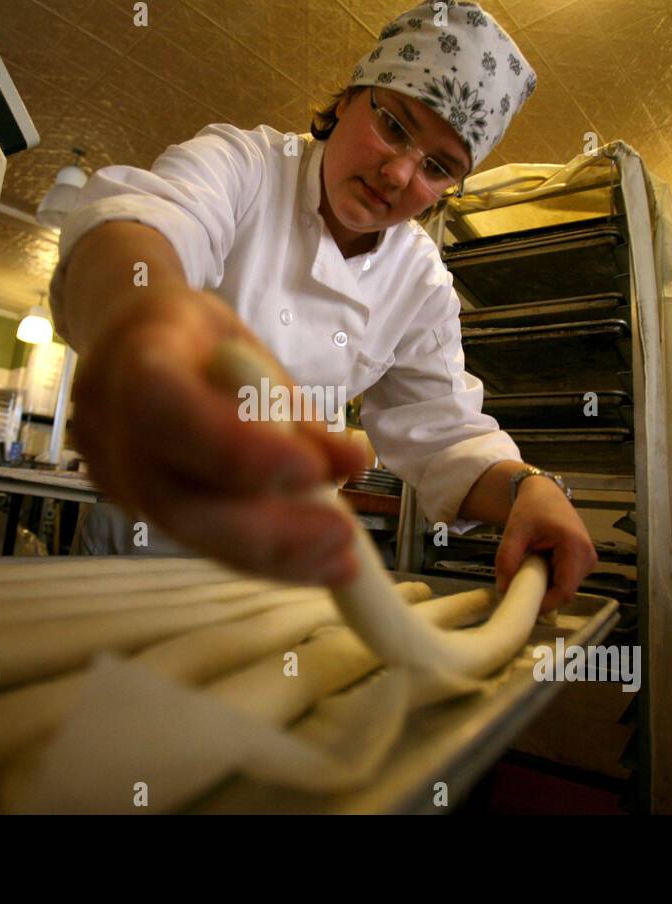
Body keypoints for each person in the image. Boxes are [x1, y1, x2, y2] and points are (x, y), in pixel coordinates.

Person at [49, 1, 597, 611]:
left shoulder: (420, 283)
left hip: (282, 570)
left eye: (438, 167)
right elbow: (144, 228)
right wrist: (149, 330)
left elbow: (444, 437)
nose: (397, 173)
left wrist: (530, 489)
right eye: (395, 126)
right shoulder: (247, 167)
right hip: (143, 546)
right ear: (348, 97)